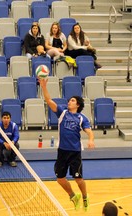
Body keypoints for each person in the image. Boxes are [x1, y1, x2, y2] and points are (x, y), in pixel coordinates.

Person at [39, 77, 95, 212]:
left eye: (72, 100)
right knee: (60, 179)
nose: (69, 102)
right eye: (69, 100)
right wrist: (44, 87)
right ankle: (73, 196)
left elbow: (89, 131)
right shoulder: (62, 113)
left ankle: (85, 196)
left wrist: (91, 139)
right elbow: (49, 101)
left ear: (78, 105)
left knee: (78, 179)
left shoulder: (82, 118)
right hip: (62, 151)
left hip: (75, 152)